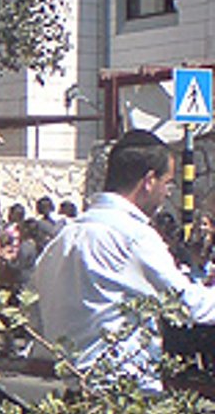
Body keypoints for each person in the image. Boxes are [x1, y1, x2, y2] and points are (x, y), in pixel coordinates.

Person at [30, 128, 215, 389]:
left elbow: (33, 310)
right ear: (149, 180)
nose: (167, 194)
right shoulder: (134, 237)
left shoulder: (63, 240)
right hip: (123, 395)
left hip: (70, 395)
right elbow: (186, 305)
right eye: (168, 183)